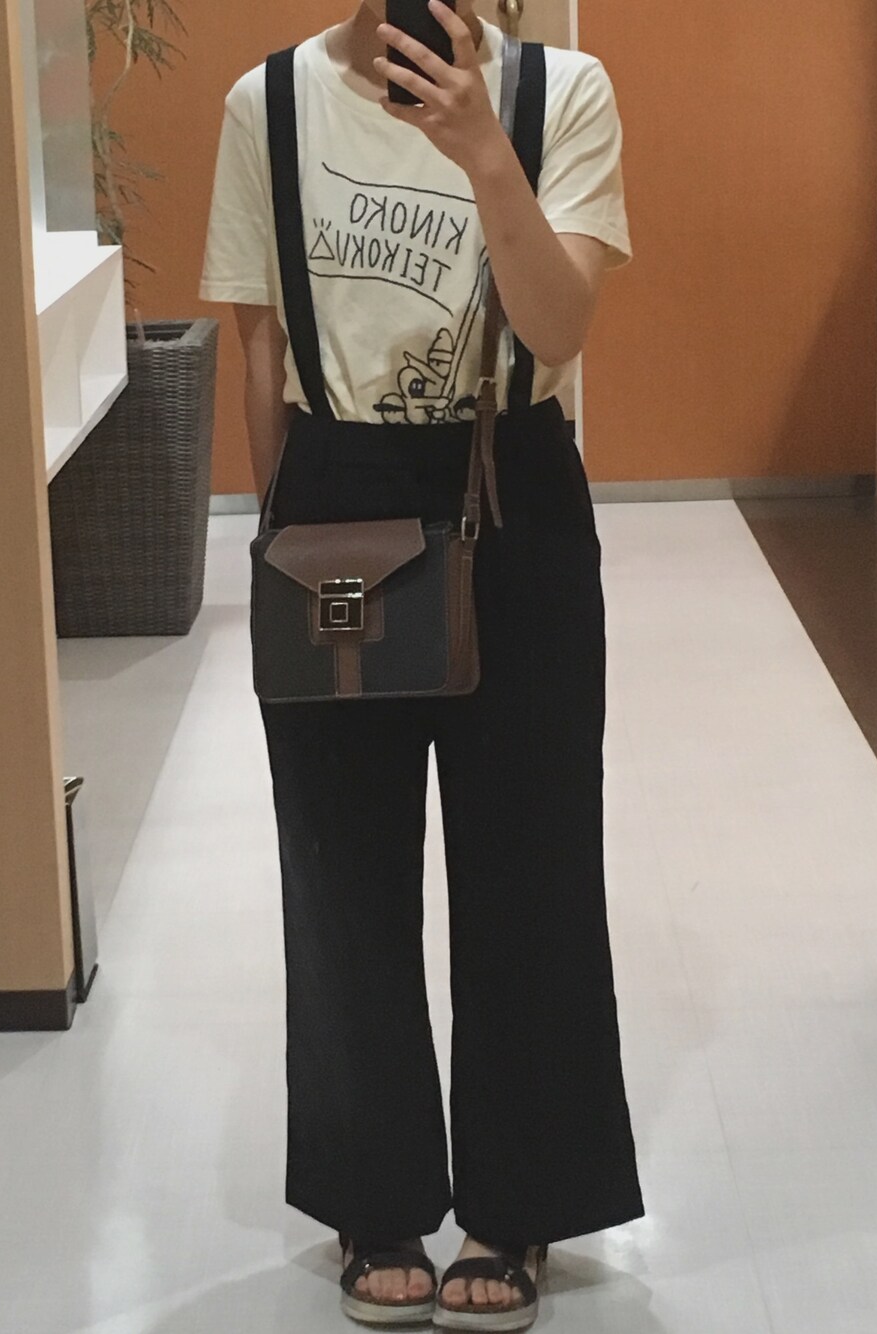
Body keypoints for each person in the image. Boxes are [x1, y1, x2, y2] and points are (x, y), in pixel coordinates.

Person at [200, 1, 644, 1327]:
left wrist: (483, 151)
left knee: (532, 859)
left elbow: (559, 325)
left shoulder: (563, 92)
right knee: (342, 860)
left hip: (516, 492)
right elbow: (261, 344)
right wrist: (284, 534)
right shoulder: (267, 106)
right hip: (336, 494)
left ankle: (517, 1202)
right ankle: (374, 1193)